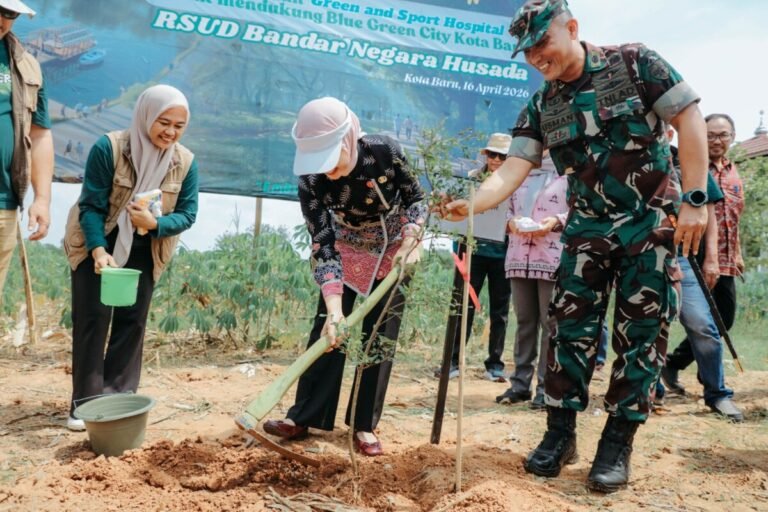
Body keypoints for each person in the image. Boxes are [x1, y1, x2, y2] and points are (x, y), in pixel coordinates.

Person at [443, 0, 708, 492]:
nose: (536, 57)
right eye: (527, 51)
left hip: (646, 228)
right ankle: (560, 434)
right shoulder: (545, 105)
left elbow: (690, 120)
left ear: (571, 28)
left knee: (642, 338)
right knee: (568, 334)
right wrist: (471, 203)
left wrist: (694, 199)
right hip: (584, 233)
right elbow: (511, 169)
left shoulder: (635, 64)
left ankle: (616, 444)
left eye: (542, 43)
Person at [263, 97, 425, 456]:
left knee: (378, 338)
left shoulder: (383, 151)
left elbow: (416, 199)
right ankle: (304, 415)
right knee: (329, 331)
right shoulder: (310, 180)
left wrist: (412, 238)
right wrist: (334, 305)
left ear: (348, 137)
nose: (328, 170)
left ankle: (364, 425)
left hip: (394, 247)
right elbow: (322, 242)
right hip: (346, 247)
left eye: (330, 158)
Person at [63, 84, 198, 431]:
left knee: (132, 321)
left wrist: (156, 224)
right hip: (100, 239)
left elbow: (187, 213)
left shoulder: (184, 162)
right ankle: (86, 404)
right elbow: (91, 205)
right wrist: (97, 250)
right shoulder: (110, 147)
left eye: (178, 126)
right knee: (93, 319)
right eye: (163, 122)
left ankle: (116, 398)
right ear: (145, 116)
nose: (170, 132)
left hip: (146, 246)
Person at [662, 113, 744, 405]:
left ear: (668, 134)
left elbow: (708, 211)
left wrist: (715, 256)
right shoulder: (625, 162)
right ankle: (650, 389)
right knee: (650, 325)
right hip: (643, 255)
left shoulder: (688, 161)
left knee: (703, 324)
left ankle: (717, 393)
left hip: (685, 256)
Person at [438, 133, 514, 383]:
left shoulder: (514, 184)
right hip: (471, 251)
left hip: (503, 253)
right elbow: (456, 214)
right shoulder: (470, 180)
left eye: (502, 156)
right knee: (461, 307)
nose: (496, 160)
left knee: (499, 311)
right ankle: (452, 361)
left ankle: (495, 365)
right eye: (492, 154)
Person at [495, 152, 567, 409]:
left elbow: (580, 211)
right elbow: (502, 211)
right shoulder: (517, 175)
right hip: (518, 256)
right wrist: (511, 222)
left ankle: (545, 387)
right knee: (524, 322)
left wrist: (555, 222)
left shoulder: (568, 176)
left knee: (550, 324)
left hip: (550, 258)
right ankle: (519, 384)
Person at [0, 0, 53, 296]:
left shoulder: (26, 65)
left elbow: (40, 135)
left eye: (9, 13)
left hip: (4, 204)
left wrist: (42, 199)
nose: (2, 18)